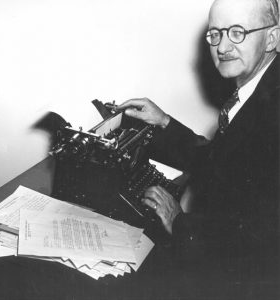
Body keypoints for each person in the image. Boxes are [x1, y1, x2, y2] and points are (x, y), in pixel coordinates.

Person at [119, 0, 280, 276]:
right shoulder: (261, 89)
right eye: (215, 33)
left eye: (237, 32)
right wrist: (164, 121)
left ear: (272, 38)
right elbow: (227, 162)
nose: (222, 47)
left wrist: (179, 222)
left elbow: (264, 234)